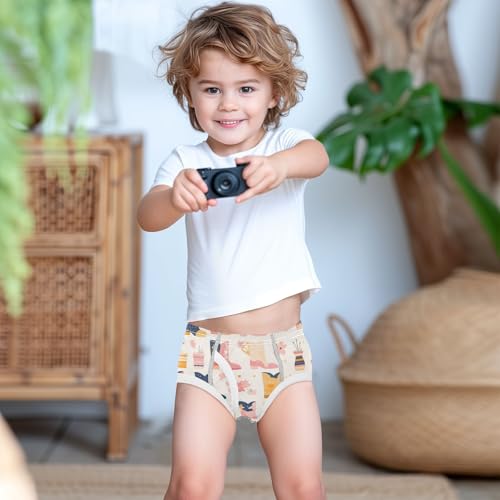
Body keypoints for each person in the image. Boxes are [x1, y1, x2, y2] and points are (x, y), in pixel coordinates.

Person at [137, 2, 329, 499]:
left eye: (246, 89)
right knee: (191, 486)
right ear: (189, 93)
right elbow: (148, 216)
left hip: (283, 354)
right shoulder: (186, 162)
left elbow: (317, 157)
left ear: (274, 93)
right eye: (211, 89)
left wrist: (279, 168)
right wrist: (173, 198)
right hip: (210, 355)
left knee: (303, 487)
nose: (228, 105)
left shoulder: (284, 146)